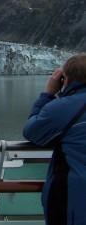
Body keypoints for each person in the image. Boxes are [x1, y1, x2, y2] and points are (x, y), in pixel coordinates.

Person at [23, 53, 86, 225]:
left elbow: (32, 131)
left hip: (75, 200)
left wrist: (47, 94)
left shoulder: (62, 108)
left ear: (65, 80)